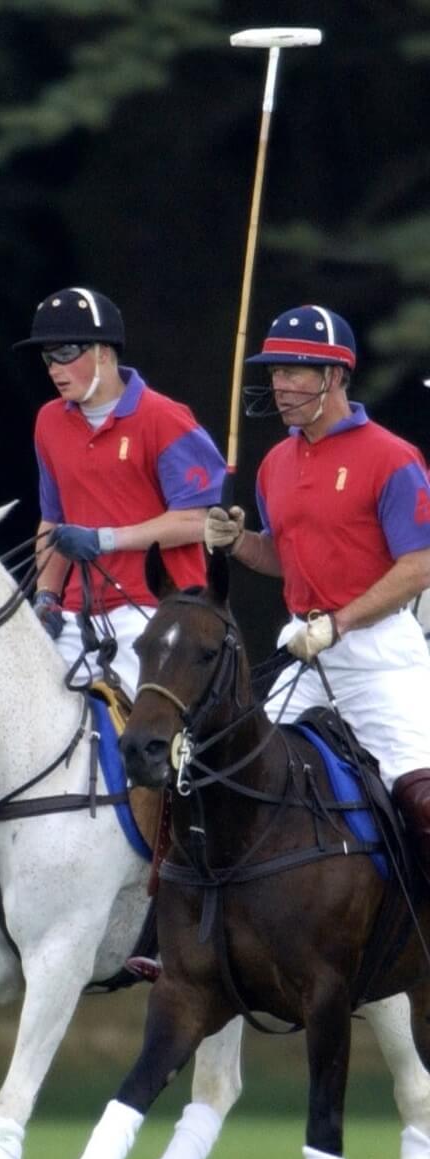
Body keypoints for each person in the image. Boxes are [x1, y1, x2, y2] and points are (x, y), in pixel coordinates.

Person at [205, 304, 430, 868]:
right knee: (233, 777)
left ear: (332, 377)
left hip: (379, 654)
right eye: (274, 372)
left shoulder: (391, 457)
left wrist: (342, 621)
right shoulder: (275, 463)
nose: (277, 385)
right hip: (304, 654)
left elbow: (420, 564)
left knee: (422, 801)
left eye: (291, 371)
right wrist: (237, 542)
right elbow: (288, 556)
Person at [17, 287, 226, 694]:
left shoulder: (165, 418)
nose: (54, 368)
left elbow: (197, 520)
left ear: (104, 353)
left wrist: (105, 539)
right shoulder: (48, 422)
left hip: (158, 609)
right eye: (47, 357)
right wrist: (46, 597)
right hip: (78, 612)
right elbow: (53, 520)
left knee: (141, 741)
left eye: (66, 353)